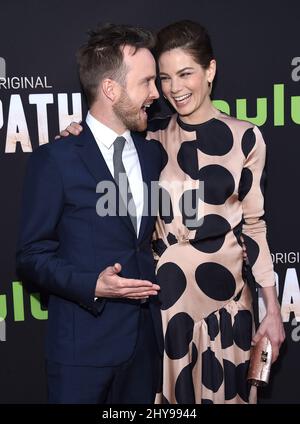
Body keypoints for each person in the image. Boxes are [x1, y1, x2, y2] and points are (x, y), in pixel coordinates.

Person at [60, 20, 285, 404]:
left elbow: (254, 226)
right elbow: (103, 141)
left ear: (210, 70)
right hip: (166, 309)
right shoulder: (148, 139)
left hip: (227, 307)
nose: (174, 89)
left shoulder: (246, 138)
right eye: (164, 78)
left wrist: (273, 309)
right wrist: (77, 136)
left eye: (185, 74)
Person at [16, 23, 164, 404]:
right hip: (81, 354)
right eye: (147, 82)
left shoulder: (151, 155)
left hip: (145, 350)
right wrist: (91, 285)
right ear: (111, 89)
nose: (156, 93)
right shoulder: (57, 160)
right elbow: (31, 255)